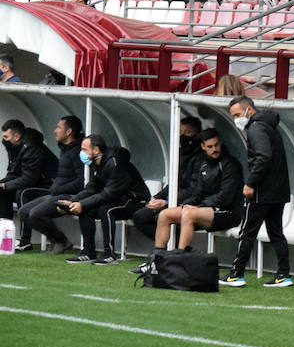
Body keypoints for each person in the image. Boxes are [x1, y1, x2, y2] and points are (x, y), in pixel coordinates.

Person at [223, 97, 293, 287]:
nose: (236, 119)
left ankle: (236, 274)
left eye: (238, 114)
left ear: (249, 110)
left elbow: (263, 156)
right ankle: (284, 275)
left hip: (263, 190)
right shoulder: (268, 125)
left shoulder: (256, 128)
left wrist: (251, 183)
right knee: (276, 232)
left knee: (247, 232)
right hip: (279, 190)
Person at [147, 128, 244, 254]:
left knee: (189, 214)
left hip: (228, 212)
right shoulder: (204, 165)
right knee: (165, 215)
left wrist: (199, 207)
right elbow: (199, 192)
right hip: (205, 209)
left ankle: (180, 256)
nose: (214, 149)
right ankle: (157, 258)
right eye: (210, 146)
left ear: (221, 143)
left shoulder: (230, 164)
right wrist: (185, 205)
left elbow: (225, 197)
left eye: (216, 145)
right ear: (203, 147)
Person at [57, 133, 149, 264]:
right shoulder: (97, 163)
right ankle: (88, 252)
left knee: (106, 210)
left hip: (135, 200)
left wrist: (82, 203)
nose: (81, 153)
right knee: (86, 210)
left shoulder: (114, 163)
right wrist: (73, 202)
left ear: (96, 150)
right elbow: (92, 187)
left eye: (84, 150)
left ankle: (109, 254)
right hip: (118, 198)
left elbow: (109, 193)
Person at [129, 116, 205, 244]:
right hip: (175, 200)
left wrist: (166, 203)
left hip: (191, 203)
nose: (183, 136)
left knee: (161, 216)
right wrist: (156, 197)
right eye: (180, 133)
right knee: (140, 216)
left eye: (187, 133)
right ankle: (167, 247)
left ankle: (172, 248)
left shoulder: (201, 158)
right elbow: (174, 184)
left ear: (197, 135)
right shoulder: (180, 153)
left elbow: (194, 190)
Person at [13, 113, 82, 253]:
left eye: (58, 127)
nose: (55, 130)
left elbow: (82, 181)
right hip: (56, 193)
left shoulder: (78, 152)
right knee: (23, 212)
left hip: (70, 196)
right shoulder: (65, 149)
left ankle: (61, 241)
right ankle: (57, 240)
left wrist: (58, 188)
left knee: (35, 213)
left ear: (68, 132)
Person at [0, 120, 56, 222]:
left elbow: (29, 178)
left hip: (47, 184)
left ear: (16, 137)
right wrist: (3, 183)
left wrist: (6, 185)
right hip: (32, 181)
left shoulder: (32, 147)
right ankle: (5, 228)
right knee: (1, 190)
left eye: (6, 137)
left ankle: (25, 237)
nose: (4, 140)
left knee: (22, 193)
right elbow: (14, 172)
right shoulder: (13, 146)